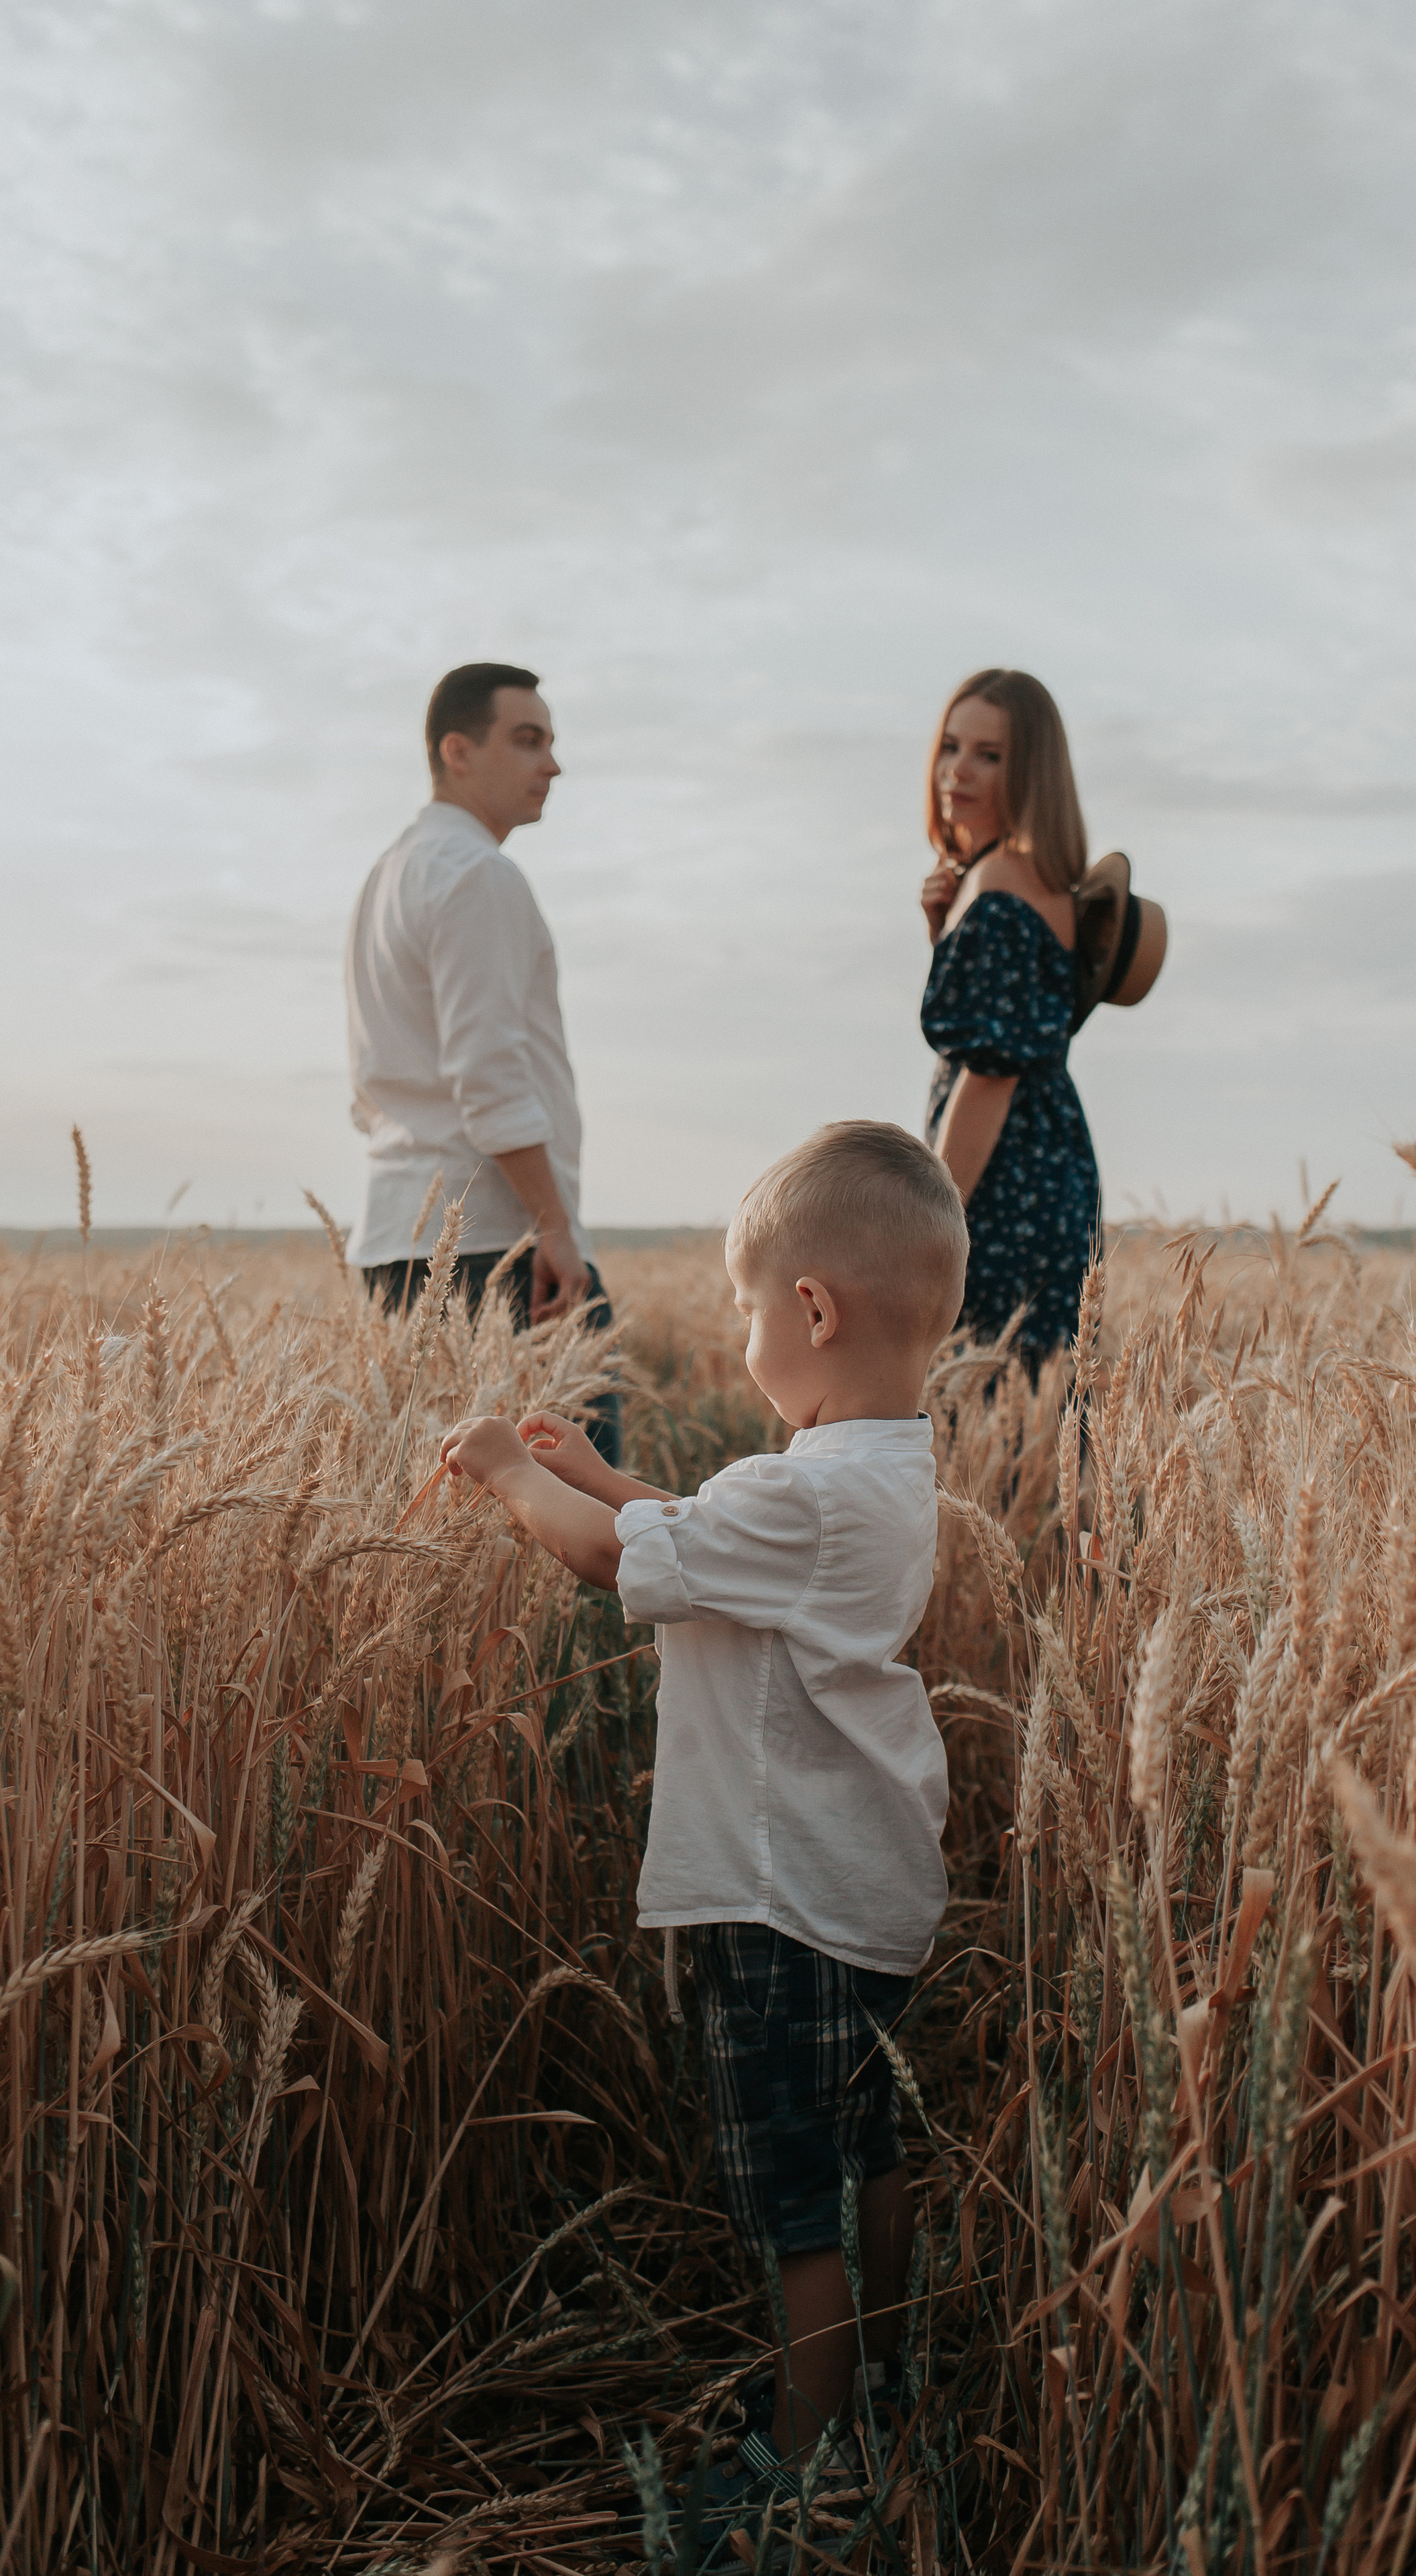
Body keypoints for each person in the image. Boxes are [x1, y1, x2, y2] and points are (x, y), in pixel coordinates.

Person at [436, 1121, 967, 2534]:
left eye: (745, 1308)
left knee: (787, 2194)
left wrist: (508, 1471)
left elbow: (622, 1558)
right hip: (863, 1896)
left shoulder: (795, 1492)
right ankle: (886, 2386)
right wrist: (604, 1472)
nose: (740, 1336)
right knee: (869, 2159)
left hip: (776, 1904)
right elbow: (703, 1537)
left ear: (811, 1309)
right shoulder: (875, 1475)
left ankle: (805, 2454)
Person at [344, 661, 620, 1464]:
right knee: (580, 1512)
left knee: (451, 1530)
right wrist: (556, 1227)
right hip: (491, 1245)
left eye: (553, 743)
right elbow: (488, 1076)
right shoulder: (478, 875)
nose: (552, 765)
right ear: (457, 751)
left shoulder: (386, 874)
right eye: (528, 740)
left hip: (396, 1235)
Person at [918, 668, 1166, 1373]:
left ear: (1031, 773)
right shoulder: (1014, 879)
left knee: (989, 1392)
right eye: (951, 746)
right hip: (1044, 1167)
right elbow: (996, 1018)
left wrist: (933, 1226)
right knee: (1031, 1403)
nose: (957, 771)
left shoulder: (999, 891)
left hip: (1004, 1181)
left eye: (989, 755)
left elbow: (989, 1078)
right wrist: (941, 930)